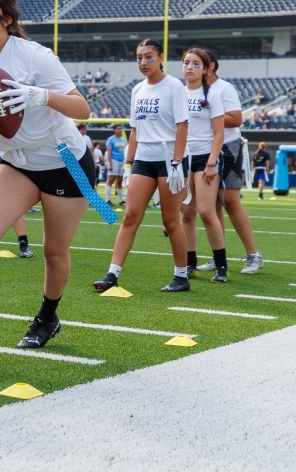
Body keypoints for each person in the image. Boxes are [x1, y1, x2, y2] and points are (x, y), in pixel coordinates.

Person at [0, 0, 97, 369]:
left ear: (7, 18)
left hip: (66, 161)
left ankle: (48, 318)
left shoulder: (34, 56)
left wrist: (39, 95)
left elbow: (83, 111)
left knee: (54, 250)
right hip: (15, 161)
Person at [92, 38, 191, 294]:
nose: (143, 62)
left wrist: (178, 162)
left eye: (149, 57)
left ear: (160, 58)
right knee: (130, 215)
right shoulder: (137, 89)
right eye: (139, 58)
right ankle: (113, 272)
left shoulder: (174, 86)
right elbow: (135, 129)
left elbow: (182, 126)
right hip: (144, 159)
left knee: (170, 221)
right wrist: (127, 164)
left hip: (170, 159)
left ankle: (181, 275)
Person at [204, 55, 263, 274]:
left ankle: (253, 255)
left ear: (210, 66)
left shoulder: (224, 88)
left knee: (230, 200)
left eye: (198, 63)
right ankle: (218, 256)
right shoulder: (192, 90)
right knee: (211, 204)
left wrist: (208, 115)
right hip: (206, 148)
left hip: (228, 146)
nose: (191, 68)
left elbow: (237, 118)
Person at [176, 48, 228, 282]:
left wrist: (212, 162)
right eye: (186, 63)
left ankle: (221, 265)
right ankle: (190, 264)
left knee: (206, 212)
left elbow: (219, 133)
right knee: (186, 213)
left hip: (206, 157)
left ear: (206, 68)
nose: (189, 67)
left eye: (195, 64)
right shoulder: (176, 93)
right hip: (183, 158)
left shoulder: (213, 95)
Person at [104, 123, 128, 205]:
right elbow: (109, 153)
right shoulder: (111, 139)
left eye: (121, 128)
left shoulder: (124, 139)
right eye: (118, 128)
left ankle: (121, 200)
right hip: (114, 161)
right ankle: (107, 200)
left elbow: (125, 151)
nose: (120, 130)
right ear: (114, 130)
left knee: (120, 181)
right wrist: (110, 164)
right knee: (111, 179)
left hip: (122, 161)